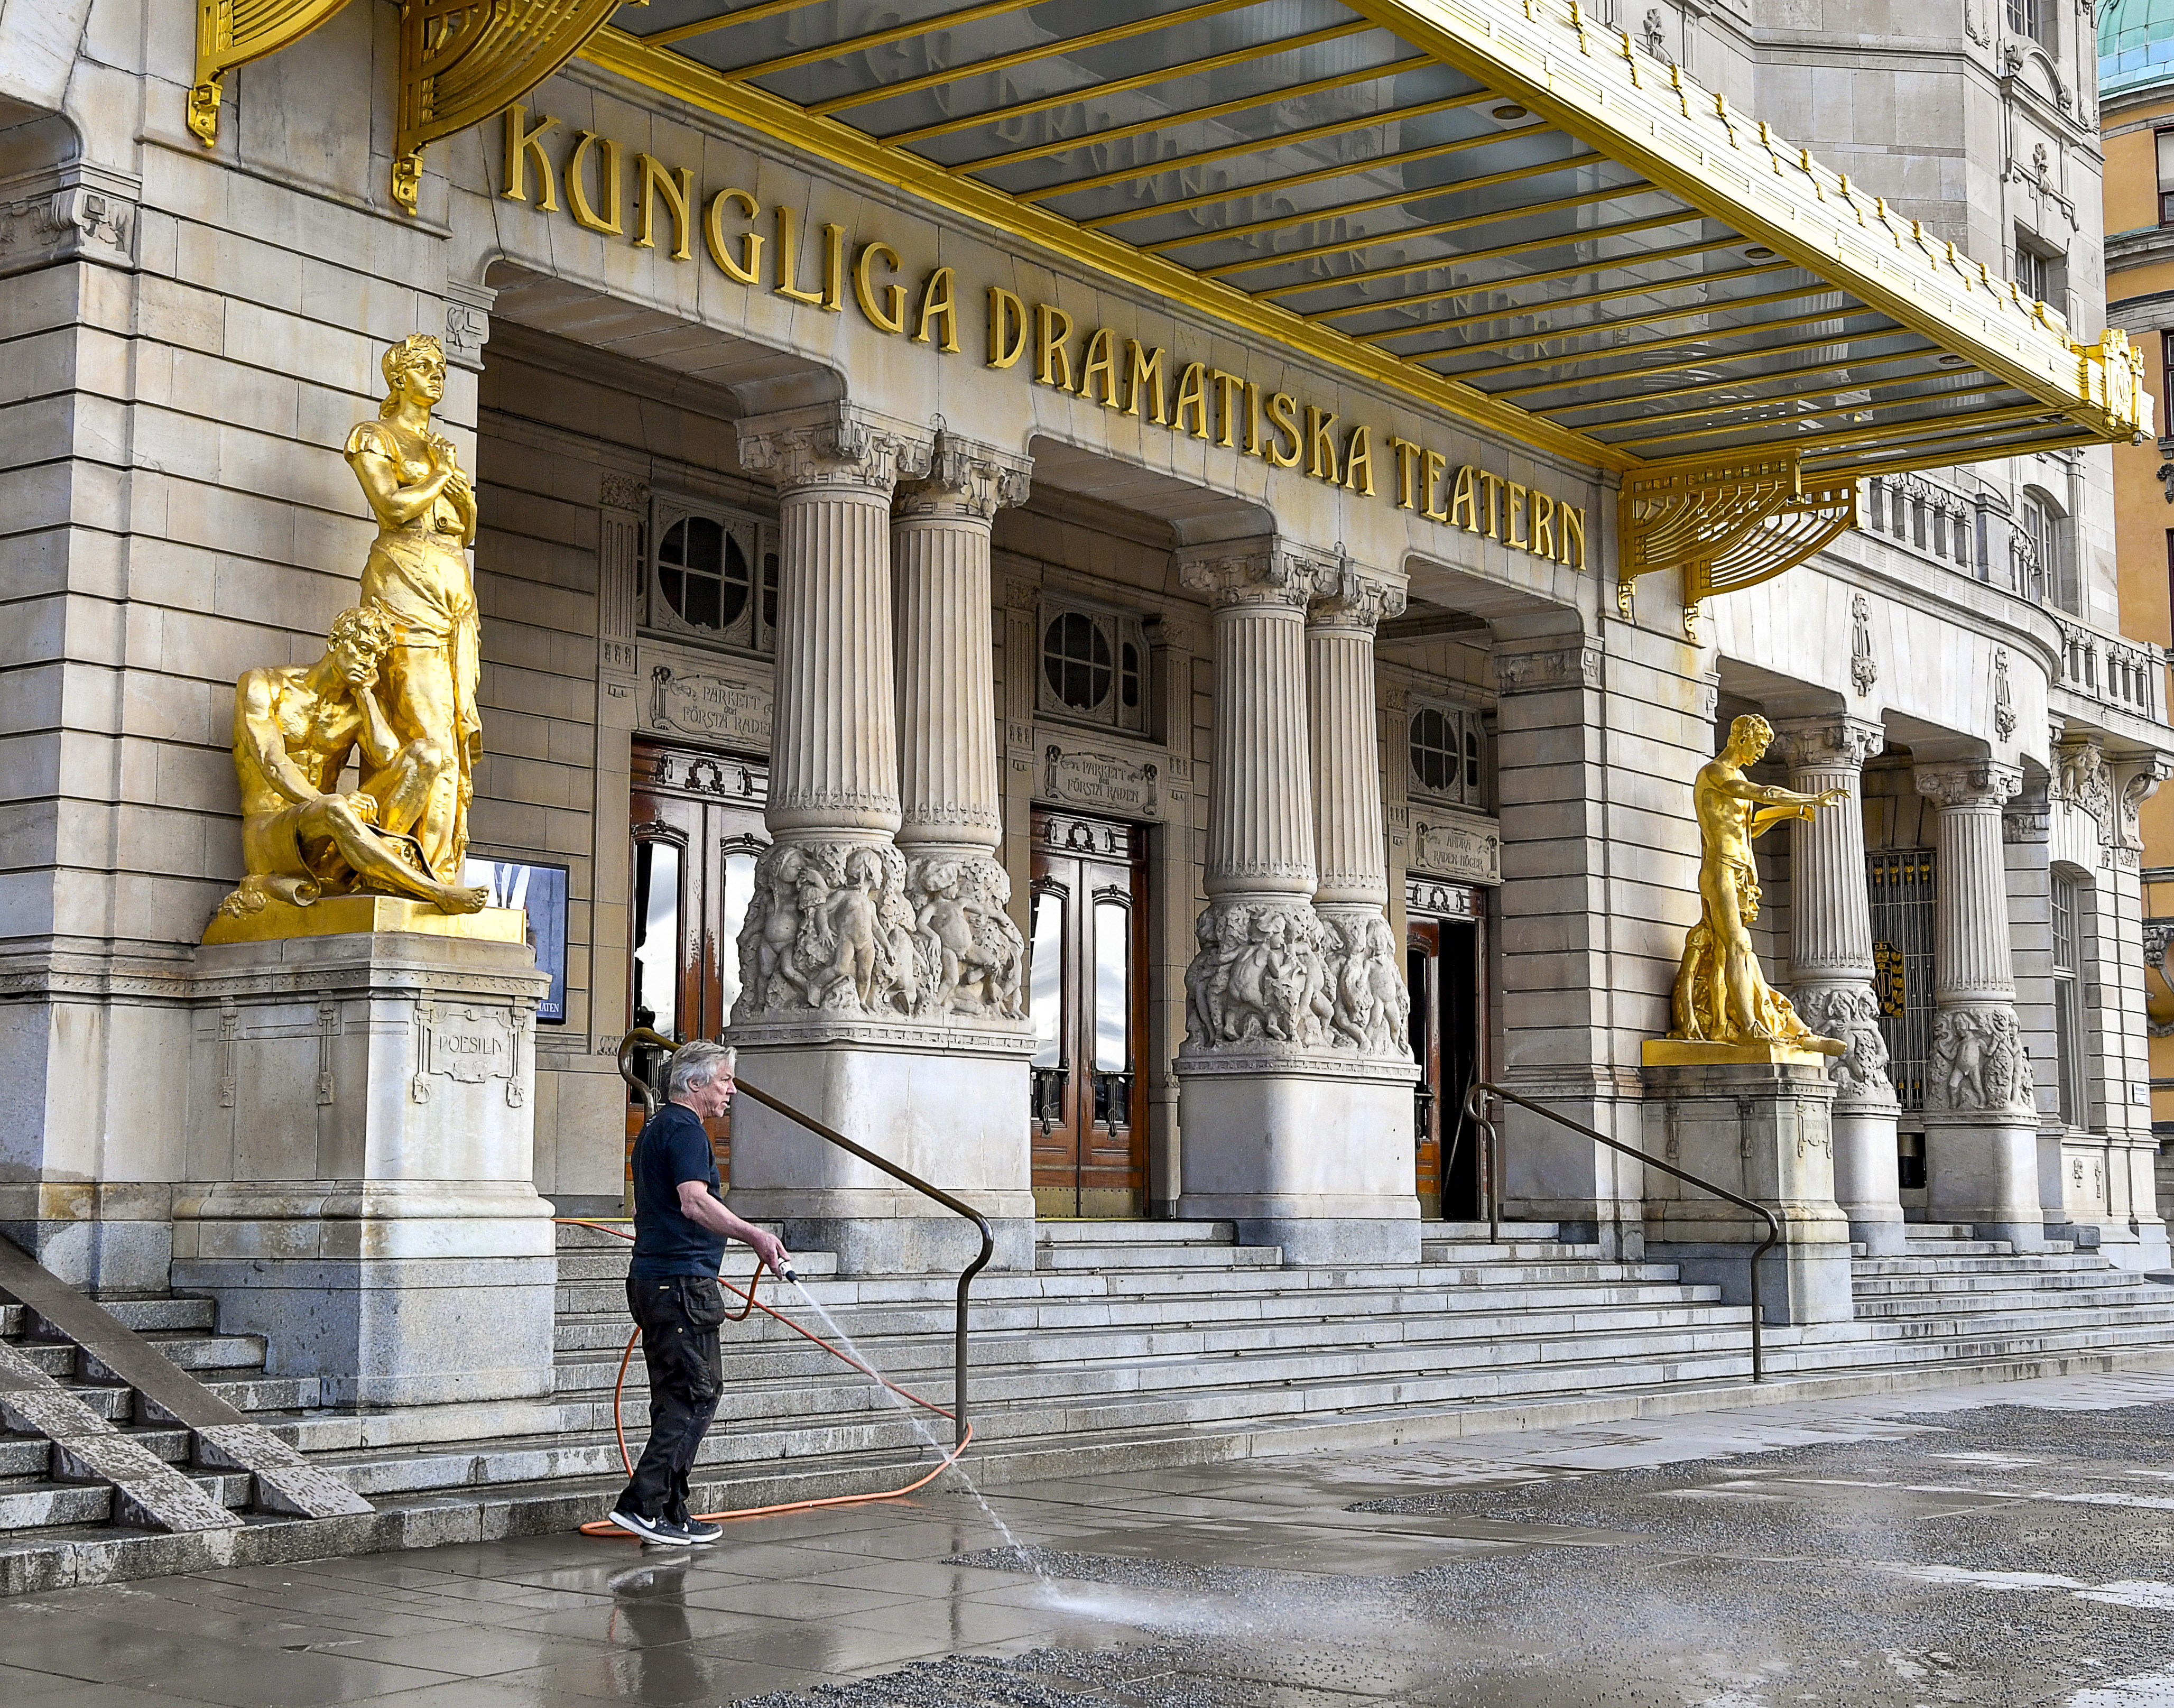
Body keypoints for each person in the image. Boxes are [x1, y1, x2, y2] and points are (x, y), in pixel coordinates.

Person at [610, 1040, 790, 1547]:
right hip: (680, 1284)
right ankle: (643, 1503)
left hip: (661, 1281)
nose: (731, 1090)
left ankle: (669, 1508)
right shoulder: (685, 1130)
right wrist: (755, 1235)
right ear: (694, 1084)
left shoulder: (658, 1129)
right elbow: (694, 1202)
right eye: (724, 1080)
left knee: (678, 1395)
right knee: (696, 1392)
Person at [215, 605, 487, 921]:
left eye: (376, 656)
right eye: (362, 649)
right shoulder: (265, 684)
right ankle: (434, 892)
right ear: (334, 643)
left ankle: (376, 874)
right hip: (271, 834)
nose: (368, 661)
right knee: (334, 808)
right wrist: (330, 803)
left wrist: (364, 694)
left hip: (330, 836)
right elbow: (272, 761)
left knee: (426, 755)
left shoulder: (358, 707)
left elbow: (388, 759)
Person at [1669, 713, 1847, 1052]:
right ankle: (1751, 1027)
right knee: (1739, 945)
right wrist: (1808, 799)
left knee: (1725, 953)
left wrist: (1789, 813)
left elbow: (1748, 829)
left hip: (1741, 871)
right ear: (1741, 737)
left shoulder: (1734, 778)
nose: (1761, 753)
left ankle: (1731, 1026)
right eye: (1759, 744)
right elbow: (1764, 791)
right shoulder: (1715, 774)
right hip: (1720, 869)